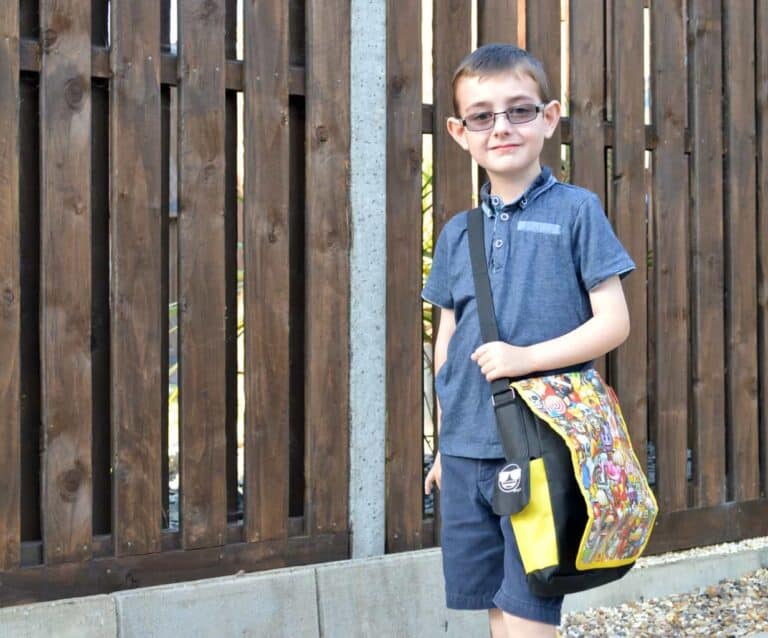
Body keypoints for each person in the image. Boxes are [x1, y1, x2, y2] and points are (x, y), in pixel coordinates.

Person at [422, 44, 635, 638]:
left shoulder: (576, 212)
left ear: (549, 117)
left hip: (544, 446)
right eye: (482, 116)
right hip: (467, 451)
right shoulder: (457, 233)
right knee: (495, 603)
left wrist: (526, 360)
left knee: (532, 604)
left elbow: (612, 322)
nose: (502, 128)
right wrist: (444, 446)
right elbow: (448, 346)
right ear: (460, 133)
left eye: (519, 110)